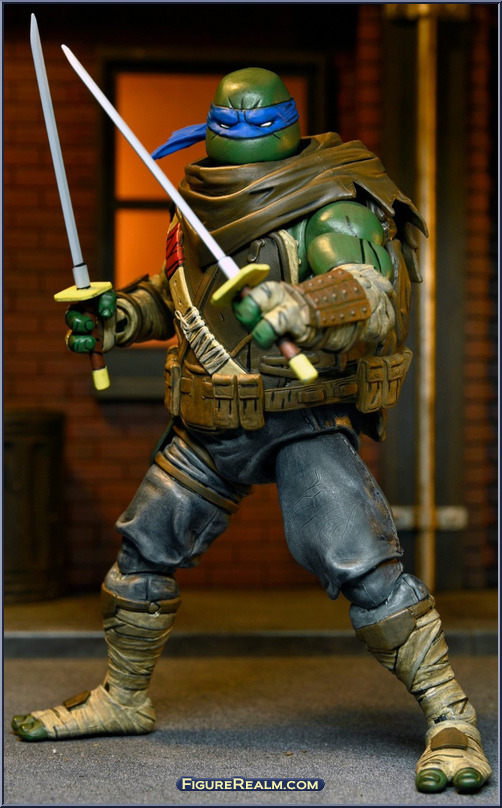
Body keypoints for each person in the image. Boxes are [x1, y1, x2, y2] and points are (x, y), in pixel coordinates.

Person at [12, 67, 491, 795]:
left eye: (255, 122)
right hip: (213, 422)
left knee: (364, 566)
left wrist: (303, 305)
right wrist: (121, 318)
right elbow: (179, 297)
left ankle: (451, 717)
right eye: (226, 123)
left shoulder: (331, 199)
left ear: (289, 121)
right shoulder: (198, 198)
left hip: (302, 419)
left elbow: (372, 292)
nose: (240, 135)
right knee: (143, 550)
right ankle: (123, 697)